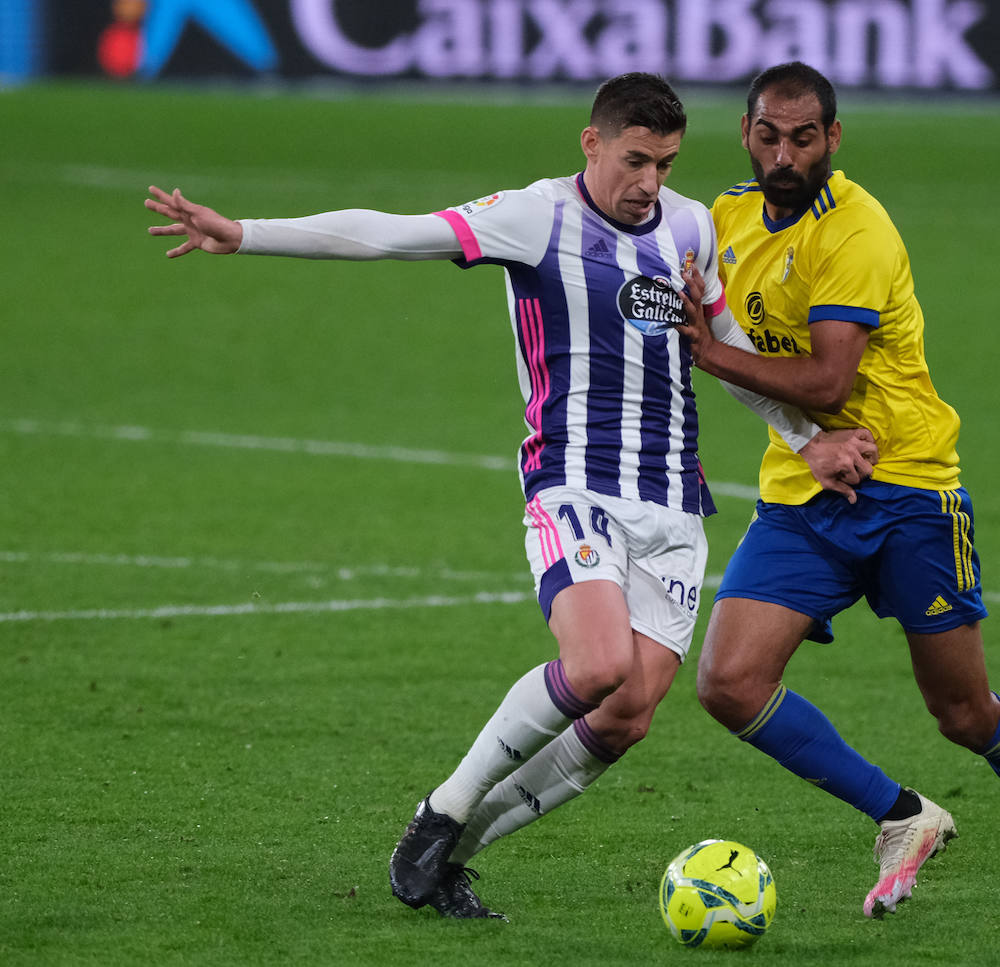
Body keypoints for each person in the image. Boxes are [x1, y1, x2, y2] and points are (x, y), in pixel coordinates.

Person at [144, 72, 878, 920]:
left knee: (629, 714)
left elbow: (722, 345)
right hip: (573, 484)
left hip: (674, 504)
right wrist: (246, 234)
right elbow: (394, 235)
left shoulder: (689, 226)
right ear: (591, 143)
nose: (650, 183)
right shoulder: (537, 216)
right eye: (636, 160)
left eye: (667, 164)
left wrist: (804, 438)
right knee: (598, 665)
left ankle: (448, 857)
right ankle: (443, 810)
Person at [673, 62, 1000, 917]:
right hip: (803, 494)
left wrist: (710, 350)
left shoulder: (857, 230)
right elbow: (728, 349)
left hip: (907, 488)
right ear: (747, 135)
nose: (786, 154)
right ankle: (904, 815)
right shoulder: (720, 220)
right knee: (728, 681)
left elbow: (830, 381)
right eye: (769, 135)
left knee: (961, 710)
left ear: (833, 139)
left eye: (805, 137)